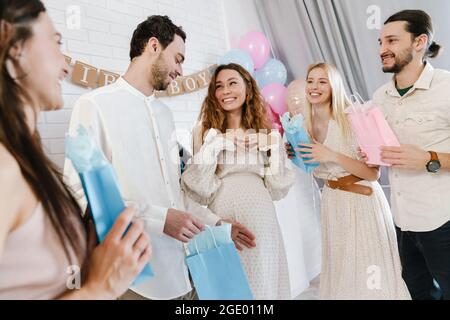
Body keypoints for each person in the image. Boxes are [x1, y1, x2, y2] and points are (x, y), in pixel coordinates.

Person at [64, 16, 254, 300]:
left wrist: (217, 223)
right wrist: (159, 220)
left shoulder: (164, 115)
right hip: (136, 277)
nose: (180, 69)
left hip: (183, 269)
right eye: (177, 59)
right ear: (154, 45)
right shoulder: (94, 105)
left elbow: (174, 191)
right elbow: (81, 193)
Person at [0, 0, 151, 299]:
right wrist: (100, 287)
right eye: (56, 42)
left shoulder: (26, 159)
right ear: (14, 46)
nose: (66, 64)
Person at [287, 62, 410, 299]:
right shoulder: (304, 125)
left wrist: (331, 155)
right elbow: (314, 170)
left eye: (322, 81)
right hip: (333, 204)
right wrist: (296, 155)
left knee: (371, 274)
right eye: (311, 80)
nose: (314, 86)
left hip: (363, 203)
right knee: (343, 274)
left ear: (334, 86)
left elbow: (373, 174)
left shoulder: (353, 119)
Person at [181, 63, 295, 299]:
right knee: (228, 286)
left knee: (262, 281)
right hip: (222, 215)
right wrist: (218, 143)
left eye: (232, 83)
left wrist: (273, 145)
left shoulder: (264, 131)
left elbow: (277, 186)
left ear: (247, 88)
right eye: (219, 86)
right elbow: (197, 186)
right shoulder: (204, 131)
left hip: (262, 217)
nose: (225, 91)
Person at [371, 10, 450, 300]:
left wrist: (429, 158)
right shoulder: (380, 97)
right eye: (380, 41)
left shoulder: (447, 88)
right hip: (403, 223)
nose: (382, 49)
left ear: (420, 42)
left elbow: (427, 158)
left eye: (392, 40)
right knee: (418, 294)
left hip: (443, 221)